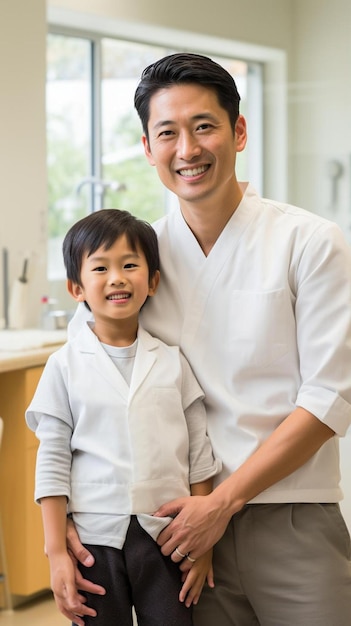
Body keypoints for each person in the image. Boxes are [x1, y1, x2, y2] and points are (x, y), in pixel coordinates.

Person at [66, 53, 351, 625]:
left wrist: (222, 502)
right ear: (148, 149)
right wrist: (73, 525)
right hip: (176, 534)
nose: (187, 150)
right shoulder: (135, 261)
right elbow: (82, 384)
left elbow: (329, 398)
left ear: (238, 132)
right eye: (167, 133)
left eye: (204, 127)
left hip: (289, 511)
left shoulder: (310, 243)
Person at [26, 208, 221, 626]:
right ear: (76, 288)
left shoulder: (172, 362)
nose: (116, 277)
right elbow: (53, 460)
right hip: (94, 543)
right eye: (100, 268)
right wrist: (56, 552)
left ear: (152, 281)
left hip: (166, 538)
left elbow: (199, 454)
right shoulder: (63, 366)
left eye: (130, 265)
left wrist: (203, 544)